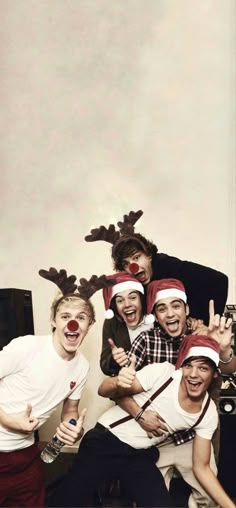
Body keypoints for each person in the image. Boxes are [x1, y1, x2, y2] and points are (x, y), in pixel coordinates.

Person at [47, 335, 234, 508]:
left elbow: (202, 468)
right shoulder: (164, 374)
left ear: (215, 374)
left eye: (203, 368)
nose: (193, 374)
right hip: (105, 441)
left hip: (138, 455)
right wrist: (118, 382)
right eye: (188, 366)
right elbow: (103, 390)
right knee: (69, 500)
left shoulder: (207, 413)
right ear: (182, 367)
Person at [0, 267, 113, 508]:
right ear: (53, 320)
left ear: (89, 324)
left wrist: (72, 430)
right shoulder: (26, 347)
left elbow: (70, 412)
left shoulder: (82, 366)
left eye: (81, 317)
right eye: (65, 316)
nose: (73, 322)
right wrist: (9, 421)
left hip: (25, 457)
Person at [85, 209, 228, 324]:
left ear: (149, 255)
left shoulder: (170, 266)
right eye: (126, 263)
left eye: (136, 258)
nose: (133, 267)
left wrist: (205, 322)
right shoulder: (132, 282)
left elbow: (220, 280)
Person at [100, 271, 154, 375]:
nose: (127, 304)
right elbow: (104, 365)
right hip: (128, 385)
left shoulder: (156, 318)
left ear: (141, 300)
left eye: (133, 297)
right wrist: (114, 360)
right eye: (120, 301)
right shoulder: (111, 323)